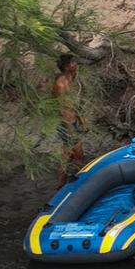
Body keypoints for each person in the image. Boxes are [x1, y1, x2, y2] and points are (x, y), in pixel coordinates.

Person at [52, 53, 85, 188]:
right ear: (66, 67)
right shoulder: (60, 84)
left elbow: (72, 103)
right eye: (72, 63)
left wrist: (81, 119)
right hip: (66, 123)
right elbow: (62, 109)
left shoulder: (70, 78)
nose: (75, 64)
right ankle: (85, 180)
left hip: (73, 120)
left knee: (68, 155)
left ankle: (61, 184)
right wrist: (70, 128)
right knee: (77, 154)